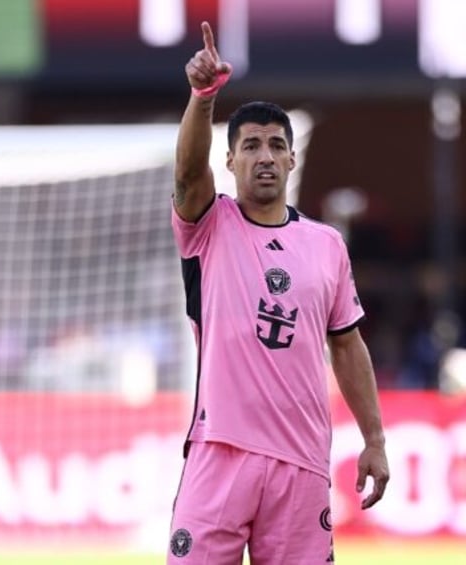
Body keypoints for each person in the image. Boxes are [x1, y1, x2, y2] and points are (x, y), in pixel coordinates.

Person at [167, 22, 390, 564]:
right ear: (231, 162)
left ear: (292, 159)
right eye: (250, 146)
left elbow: (346, 345)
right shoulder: (209, 224)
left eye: (275, 145)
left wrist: (375, 440)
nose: (264, 156)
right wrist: (202, 98)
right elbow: (188, 172)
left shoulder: (326, 245)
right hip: (219, 452)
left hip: (301, 462)